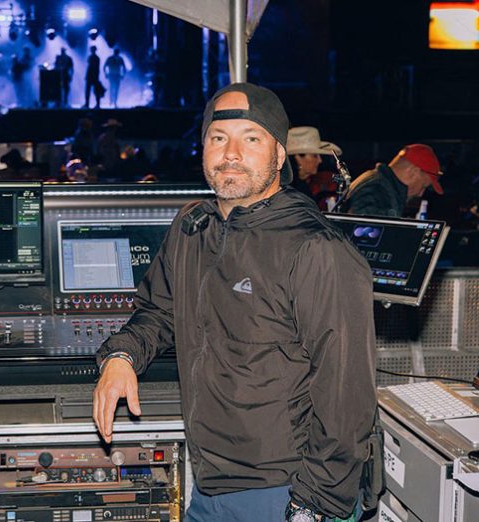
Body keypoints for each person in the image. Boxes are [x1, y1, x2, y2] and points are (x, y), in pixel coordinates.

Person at [93, 83, 377, 521]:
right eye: (218, 138)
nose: (231, 154)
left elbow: (347, 394)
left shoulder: (316, 248)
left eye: (251, 138)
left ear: (279, 155)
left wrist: (313, 504)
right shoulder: (192, 227)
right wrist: (122, 356)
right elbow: (160, 311)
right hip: (211, 487)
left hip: (288, 490)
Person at [341, 143, 444, 217]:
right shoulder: (377, 189)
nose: (420, 194)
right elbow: (363, 235)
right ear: (413, 172)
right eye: (423, 186)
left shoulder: (379, 183)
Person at [286, 126, 342, 208]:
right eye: (315, 155)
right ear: (298, 158)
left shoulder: (302, 186)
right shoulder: (290, 191)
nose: (320, 160)